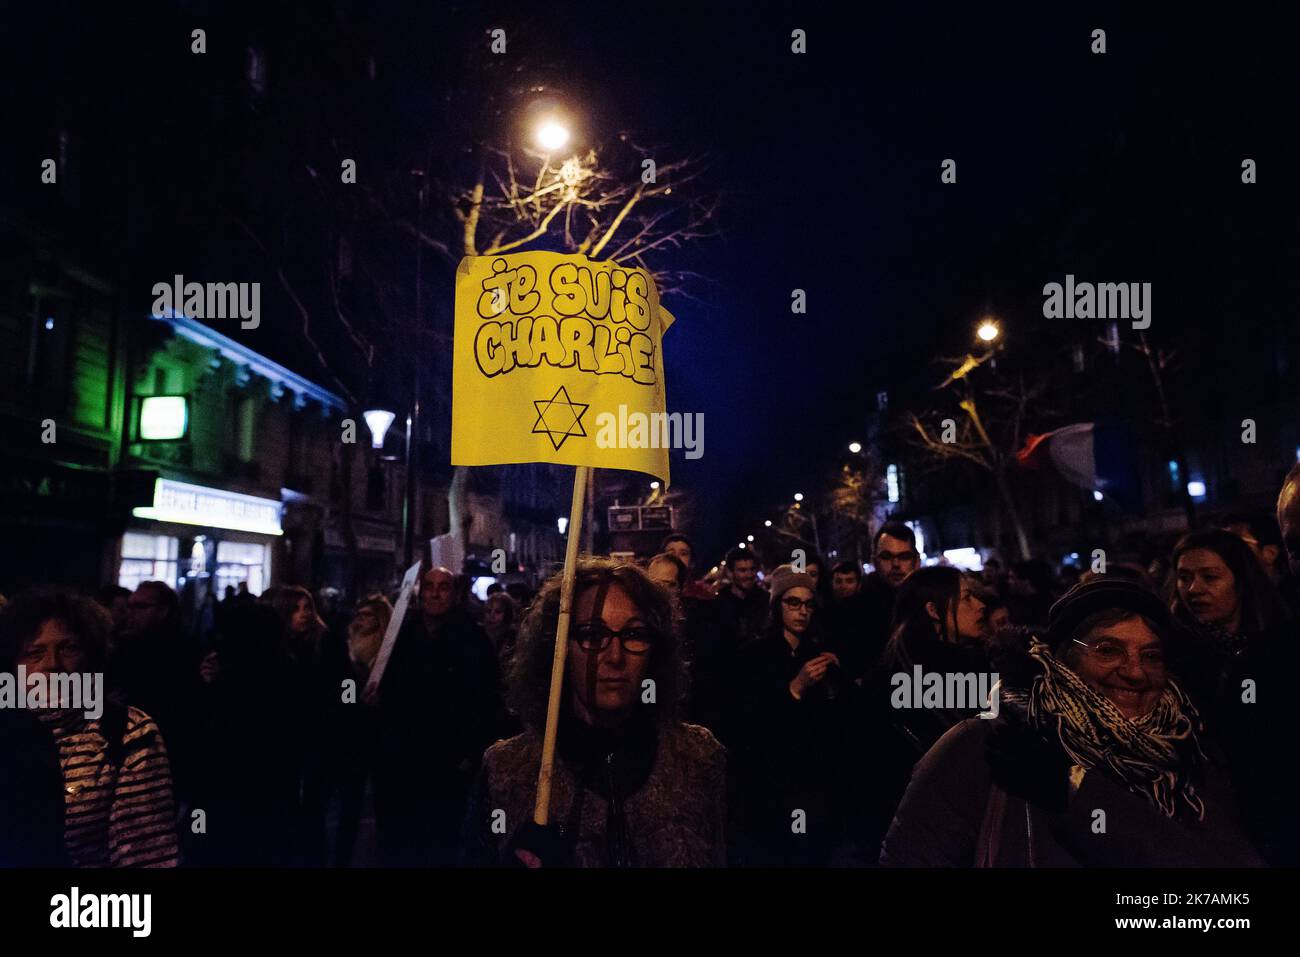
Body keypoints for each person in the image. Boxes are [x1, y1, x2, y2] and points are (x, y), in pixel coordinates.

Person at [881, 579, 1262, 867]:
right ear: (1062, 661)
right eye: (1108, 650)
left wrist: (1077, 791)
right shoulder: (984, 746)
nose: (1134, 672)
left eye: (1151, 655)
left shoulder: (1188, 748)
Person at [462, 558, 725, 867]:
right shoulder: (506, 772)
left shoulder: (699, 761)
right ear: (557, 647)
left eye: (634, 635)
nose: (614, 656)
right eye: (591, 635)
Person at [0, 590, 179, 867]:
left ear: (90, 655)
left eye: (68, 649)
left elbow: (146, 853)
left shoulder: (126, 730)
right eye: (34, 653)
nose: (52, 665)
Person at [374, 564, 504, 866]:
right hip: (405, 760)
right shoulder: (402, 637)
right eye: (429, 586)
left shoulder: (473, 639)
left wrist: (469, 755)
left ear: (455, 593)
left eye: (443, 587)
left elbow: (485, 700)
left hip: (449, 763)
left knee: (443, 842)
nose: (434, 594)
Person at [859, 567, 990, 857]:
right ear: (933, 609)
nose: (980, 606)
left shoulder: (899, 665)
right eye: (967, 598)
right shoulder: (944, 672)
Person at [733, 565, 856, 865]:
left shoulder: (817, 651)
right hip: (776, 784)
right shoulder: (754, 655)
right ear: (778, 606)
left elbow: (840, 717)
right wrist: (795, 688)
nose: (802, 611)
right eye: (793, 603)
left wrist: (839, 678)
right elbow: (749, 720)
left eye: (808, 604)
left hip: (816, 781)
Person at [111, 580, 199, 798]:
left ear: (164, 611)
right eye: (130, 606)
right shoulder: (120, 648)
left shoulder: (185, 652)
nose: (131, 613)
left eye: (140, 607)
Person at [856, 523, 920, 664]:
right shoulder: (855, 610)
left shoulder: (932, 603)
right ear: (875, 561)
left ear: (917, 561)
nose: (896, 564)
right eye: (886, 557)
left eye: (904, 557)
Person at [1220, 509, 1300, 618]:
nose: (1223, 552)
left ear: (1270, 553)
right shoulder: (1234, 603)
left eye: (1236, 543)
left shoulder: (1292, 603)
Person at [483, 591, 520, 665]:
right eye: (488, 611)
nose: (492, 615)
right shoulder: (480, 634)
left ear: (507, 614)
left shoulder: (513, 637)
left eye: (497, 612)